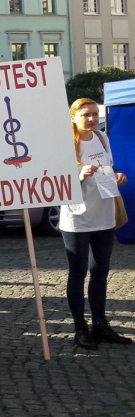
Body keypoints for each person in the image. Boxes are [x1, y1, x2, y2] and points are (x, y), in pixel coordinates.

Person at [60, 98, 131, 349]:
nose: (91, 119)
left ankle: (100, 324)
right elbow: (57, 183)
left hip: (103, 214)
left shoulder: (102, 138)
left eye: (94, 114)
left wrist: (117, 174)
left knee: (100, 272)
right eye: (85, 115)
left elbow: (108, 168)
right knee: (77, 273)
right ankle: (80, 329)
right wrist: (78, 176)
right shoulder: (65, 142)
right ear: (73, 117)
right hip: (77, 218)